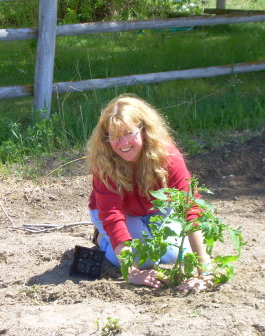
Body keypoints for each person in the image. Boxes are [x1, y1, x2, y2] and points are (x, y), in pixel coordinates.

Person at [87, 94, 213, 290]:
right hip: (119, 214)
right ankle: (101, 240)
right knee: (142, 259)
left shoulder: (168, 155)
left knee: (173, 255)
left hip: (156, 210)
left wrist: (205, 270)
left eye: (129, 133)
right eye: (114, 136)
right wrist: (132, 272)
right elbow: (112, 216)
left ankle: (142, 235)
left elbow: (190, 206)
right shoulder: (104, 162)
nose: (122, 143)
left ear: (144, 131)